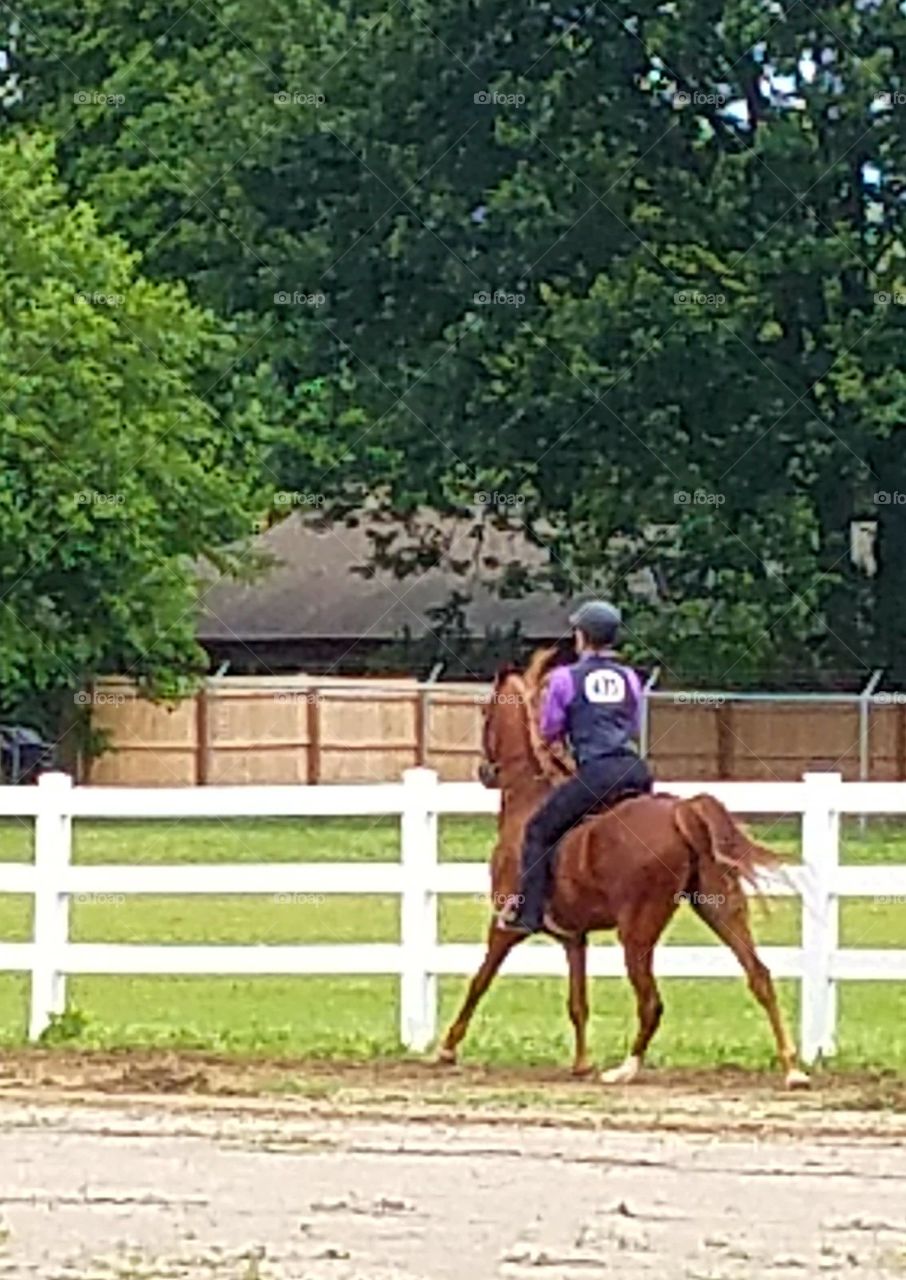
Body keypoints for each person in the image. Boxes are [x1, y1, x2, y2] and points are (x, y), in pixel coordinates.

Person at [499, 600, 653, 936]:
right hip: (635, 770)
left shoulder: (566, 678)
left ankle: (529, 912)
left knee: (537, 830)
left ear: (581, 636)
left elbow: (551, 728)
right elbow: (633, 726)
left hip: (596, 774)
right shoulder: (630, 677)